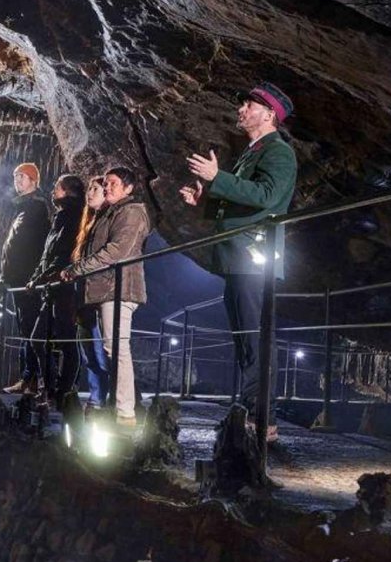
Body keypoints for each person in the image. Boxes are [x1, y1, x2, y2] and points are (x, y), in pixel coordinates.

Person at [180, 83, 297, 441]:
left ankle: (263, 419)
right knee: (246, 339)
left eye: (249, 104)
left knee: (255, 339)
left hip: (253, 256)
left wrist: (218, 178)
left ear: (269, 114)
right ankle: (251, 412)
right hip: (240, 256)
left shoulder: (278, 152)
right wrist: (206, 197)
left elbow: (266, 196)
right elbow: (243, 196)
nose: (241, 109)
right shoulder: (254, 152)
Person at [59, 167, 151, 425]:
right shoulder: (108, 214)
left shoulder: (132, 212)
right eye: (106, 183)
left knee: (116, 348)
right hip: (105, 289)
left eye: (113, 183)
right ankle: (117, 406)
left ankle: (125, 412)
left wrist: (77, 269)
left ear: (128, 188)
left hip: (119, 289)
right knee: (110, 349)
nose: (107, 187)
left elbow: (117, 251)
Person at [27, 174, 87, 405]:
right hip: (51, 285)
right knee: (39, 338)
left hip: (63, 286)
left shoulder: (71, 216)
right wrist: (37, 277)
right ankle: (53, 387)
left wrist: (42, 277)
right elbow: (48, 254)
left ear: (68, 192)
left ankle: (62, 390)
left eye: (57, 188)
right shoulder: (61, 216)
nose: (53, 191)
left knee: (66, 339)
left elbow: (62, 252)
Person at [0, 162, 51, 394]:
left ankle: (36, 379)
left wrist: (24, 275)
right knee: (25, 328)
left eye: (23, 177)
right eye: (16, 177)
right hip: (20, 278)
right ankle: (28, 377)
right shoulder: (24, 207)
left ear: (33, 181)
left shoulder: (36, 208)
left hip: (28, 279)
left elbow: (27, 246)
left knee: (30, 327)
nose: (18, 181)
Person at [73, 176, 111, 407]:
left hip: (99, 294)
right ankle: (96, 398)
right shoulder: (89, 222)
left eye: (95, 189)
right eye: (89, 188)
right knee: (90, 352)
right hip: (84, 296)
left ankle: (109, 399)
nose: (90, 192)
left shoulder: (107, 221)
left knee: (103, 352)